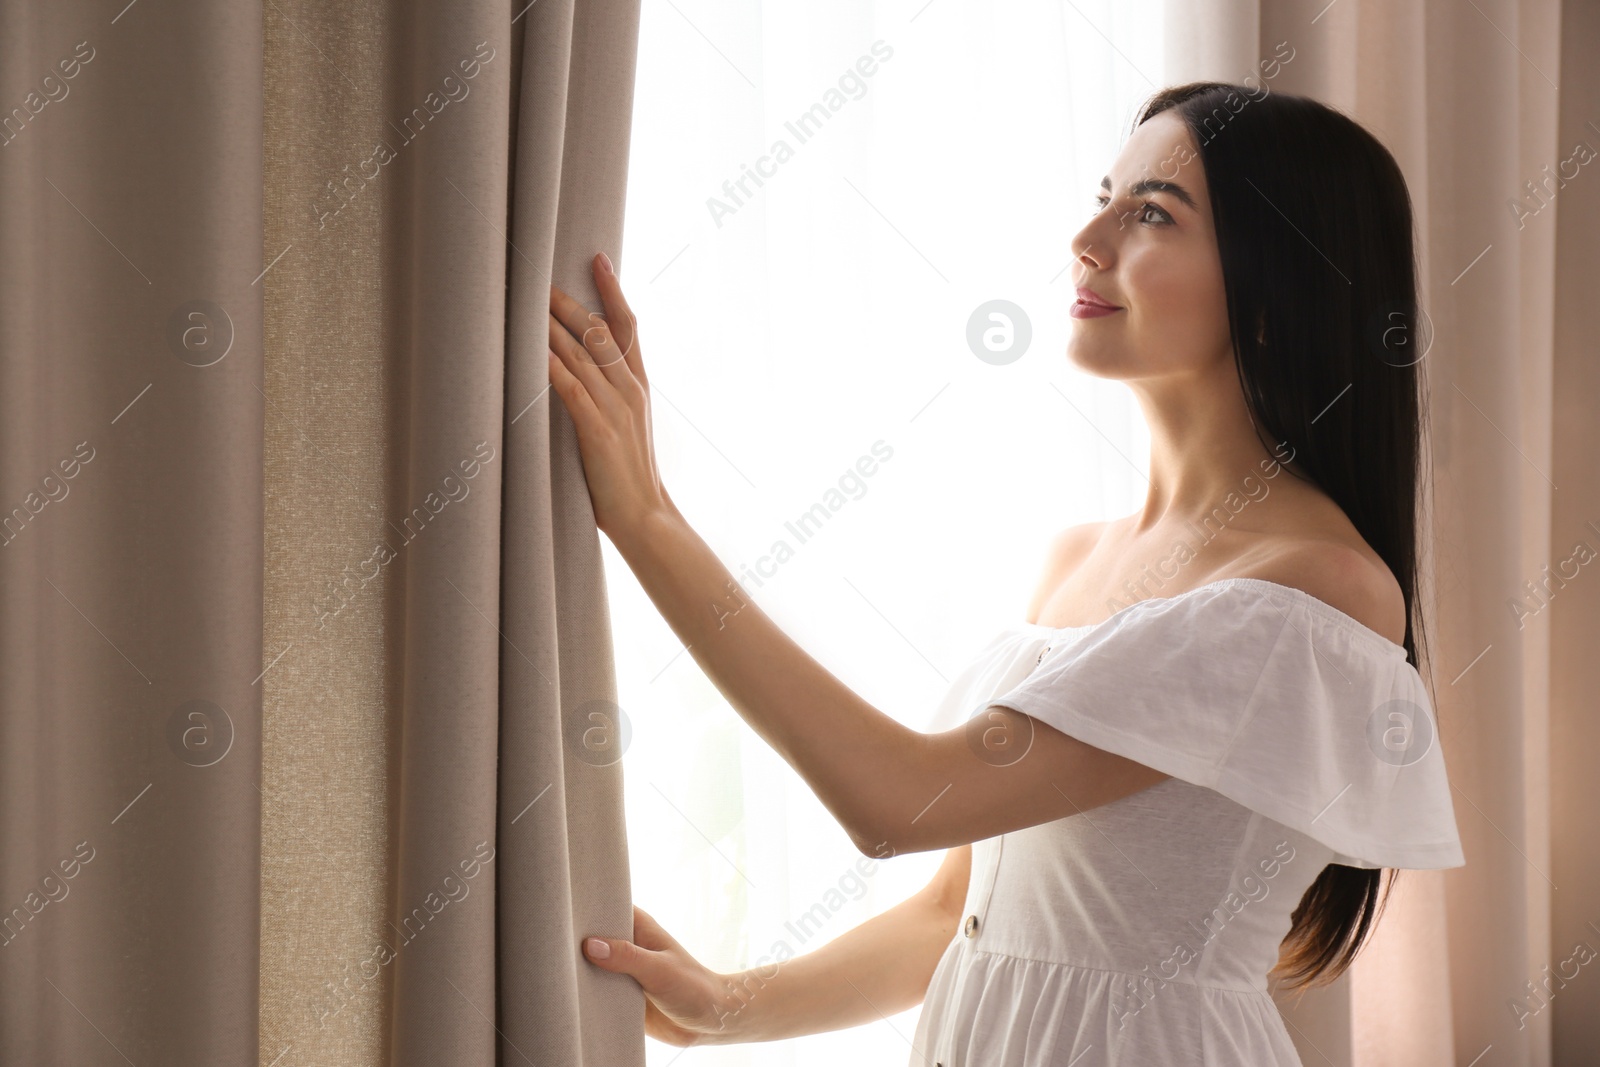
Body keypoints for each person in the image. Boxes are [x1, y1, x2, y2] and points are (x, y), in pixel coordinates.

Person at [546, 80, 1465, 1065]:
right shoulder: (1078, 560)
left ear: (1282, 287)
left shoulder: (1314, 585)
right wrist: (729, 1005)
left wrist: (643, 516)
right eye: (1104, 193)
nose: (1088, 235)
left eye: (1151, 212)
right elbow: (960, 914)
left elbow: (898, 801)